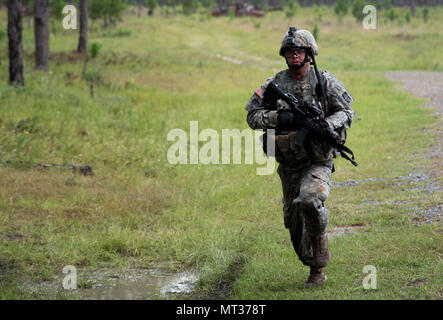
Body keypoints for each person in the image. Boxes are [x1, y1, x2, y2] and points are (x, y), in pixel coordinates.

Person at [245, 27, 354, 287]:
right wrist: (278, 117)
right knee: (294, 222)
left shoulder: (325, 81)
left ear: (309, 54)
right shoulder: (274, 85)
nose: (294, 56)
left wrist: (328, 124)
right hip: (289, 163)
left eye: (299, 51)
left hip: (318, 160)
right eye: (290, 52)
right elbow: (252, 116)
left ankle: (318, 268)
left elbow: (347, 112)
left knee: (310, 201)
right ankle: (310, 259)